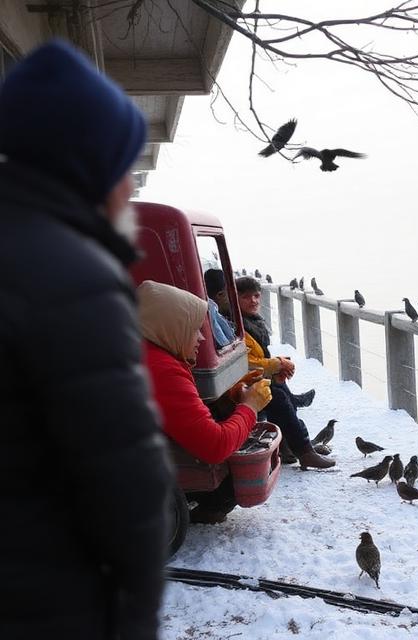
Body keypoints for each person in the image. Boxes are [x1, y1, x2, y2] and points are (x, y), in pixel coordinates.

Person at [0, 41, 172, 640]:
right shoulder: (74, 277)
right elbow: (130, 486)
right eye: (125, 165)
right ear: (90, 168)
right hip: (44, 604)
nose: (129, 186)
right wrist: (136, 620)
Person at [138, 280, 272, 521]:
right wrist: (250, 406)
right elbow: (215, 446)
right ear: (171, 327)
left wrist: (232, 397)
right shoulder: (161, 369)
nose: (201, 339)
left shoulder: (142, 352)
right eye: (194, 329)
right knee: (230, 464)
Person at [235, 276, 335, 469]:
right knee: (279, 396)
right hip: (241, 384)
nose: (253, 301)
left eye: (256, 296)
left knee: (279, 388)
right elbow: (246, 363)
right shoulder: (237, 326)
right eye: (246, 297)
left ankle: (290, 445)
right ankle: (304, 451)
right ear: (234, 297)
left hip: (250, 378)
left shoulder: (250, 322)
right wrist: (278, 364)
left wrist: (278, 367)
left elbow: (255, 357)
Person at [204, 268, 237, 348]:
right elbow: (226, 345)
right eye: (231, 293)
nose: (235, 298)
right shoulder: (212, 314)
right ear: (220, 295)